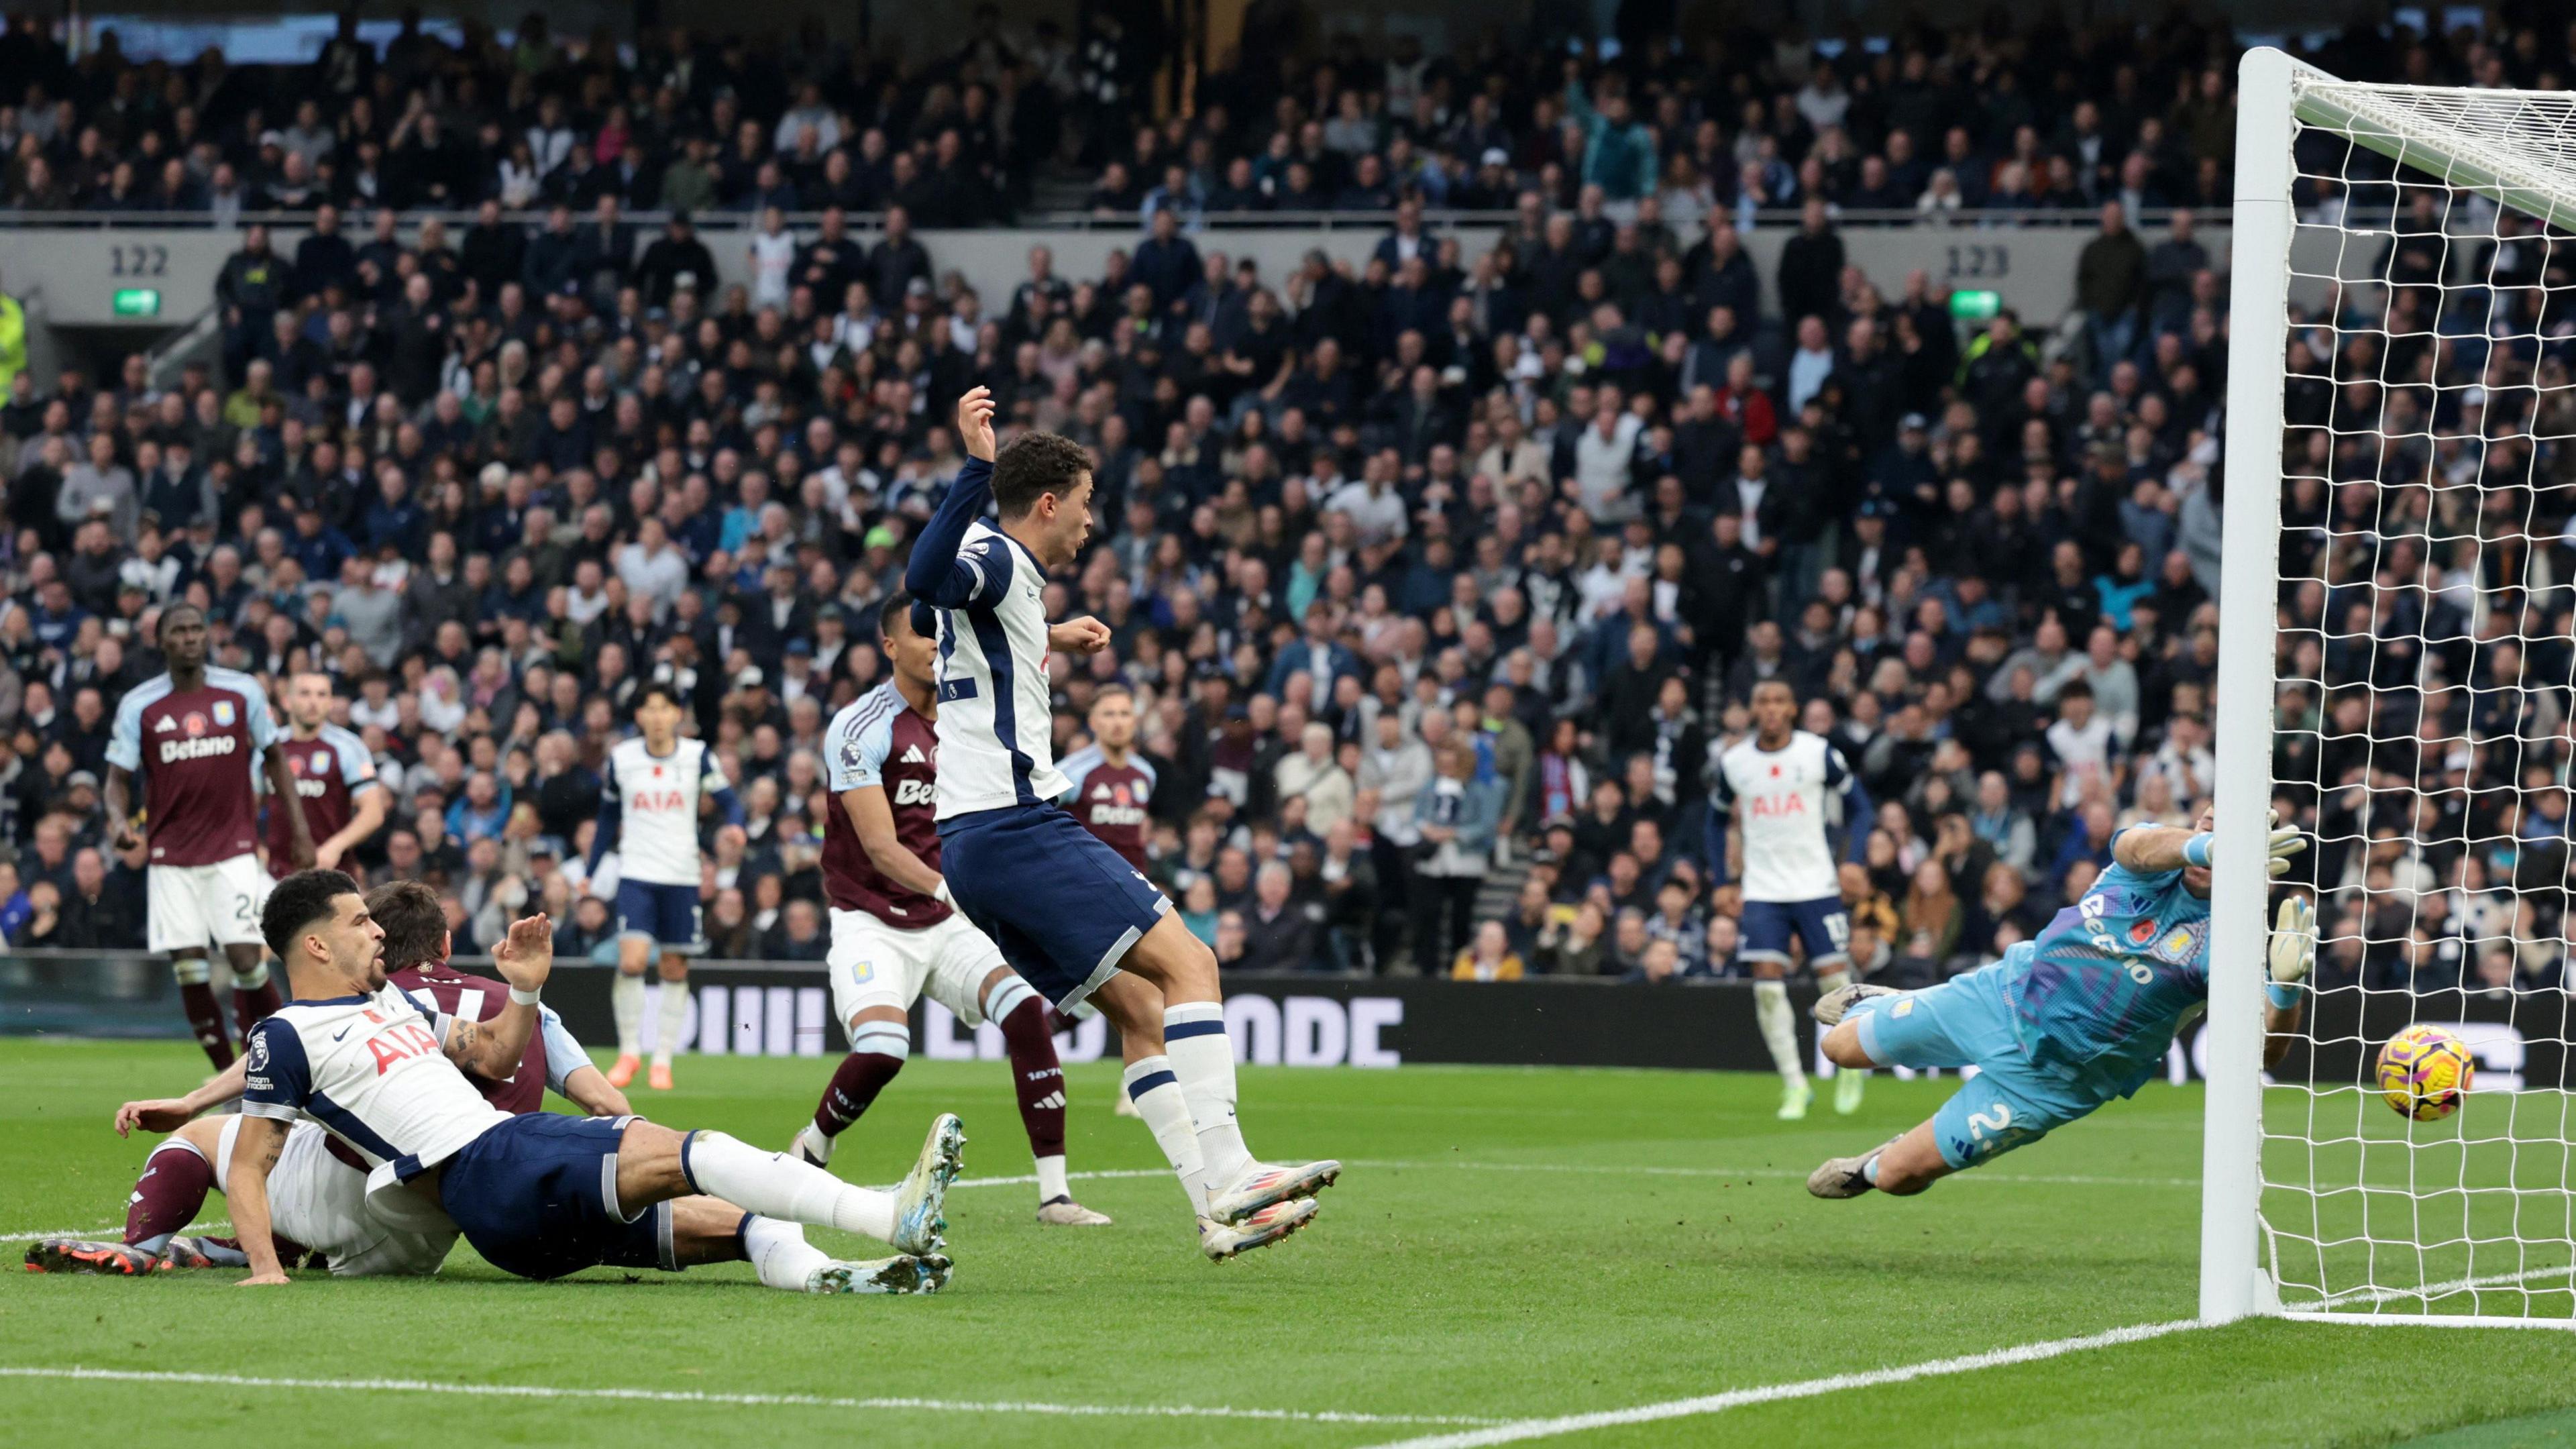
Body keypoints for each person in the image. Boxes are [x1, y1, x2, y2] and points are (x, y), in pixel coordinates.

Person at [904, 386, 1339, 1261]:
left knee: (1140, 1008)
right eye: (1088, 504)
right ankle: (1236, 1168)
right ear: (1051, 502)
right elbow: (923, 582)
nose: (1092, 526)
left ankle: (1215, 1213)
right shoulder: (992, 552)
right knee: (1192, 962)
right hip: (1015, 825)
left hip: (978, 844)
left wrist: (1045, 637)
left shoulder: (1009, 583)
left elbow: (939, 624)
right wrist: (977, 470)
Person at [220, 869, 959, 1292]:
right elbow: (251, 1162)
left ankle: (823, 1272)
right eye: (357, 922)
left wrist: (527, 992)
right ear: (315, 944)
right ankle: (883, 1213)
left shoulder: (394, 1002)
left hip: (504, 1219)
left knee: (718, 1219)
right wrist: (264, 1269)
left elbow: (494, 1057)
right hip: (485, 1163)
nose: (376, 929)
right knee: (681, 1150)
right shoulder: (287, 1035)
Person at [28, 881, 626, 1277]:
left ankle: (147, 1247)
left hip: (373, 1192)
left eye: (371, 921)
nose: (372, 933)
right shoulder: (520, 1006)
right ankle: (236, 1247)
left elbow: (281, 1050)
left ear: (380, 944)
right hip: (462, 1218)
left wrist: (192, 1103)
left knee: (230, 1137)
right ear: (446, 943)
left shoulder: (376, 998)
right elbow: (604, 1101)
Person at [794, 591, 1112, 1228]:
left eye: (943, 634)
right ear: (890, 648)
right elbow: (881, 848)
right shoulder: (860, 728)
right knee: (883, 1050)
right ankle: (812, 1146)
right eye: (922, 636)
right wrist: (950, 891)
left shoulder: (967, 719)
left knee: (1026, 1012)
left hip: (946, 920)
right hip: (873, 921)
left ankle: (1055, 1195)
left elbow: (1003, 645)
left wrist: (1057, 634)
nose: (938, 644)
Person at [1806, 810, 2310, 1197]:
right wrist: (2210, 846)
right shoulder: (2149, 862)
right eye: (2207, 826)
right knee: (1839, 1048)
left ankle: (1872, 1165)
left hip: (2053, 1082)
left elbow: (2264, 1055)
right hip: (1999, 997)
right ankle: (1898, 1002)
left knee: (1898, 1177)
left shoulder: (2230, 943)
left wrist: (2285, 988)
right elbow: (2137, 846)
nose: (2208, 849)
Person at [105, 603, 316, 1069]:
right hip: (170, 856)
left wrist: (299, 832)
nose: (189, 638)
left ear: (208, 636)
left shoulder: (241, 692)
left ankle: (276, 1066)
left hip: (233, 849)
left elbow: (276, 757)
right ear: (161, 641)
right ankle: (226, 1074)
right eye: (178, 631)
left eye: (197, 629)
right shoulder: (140, 705)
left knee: (245, 957)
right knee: (189, 966)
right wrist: (119, 823)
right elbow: (117, 777)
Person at [1705, 679, 1874, 1121]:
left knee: (1833, 982)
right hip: (1763, 888)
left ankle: (1853, 1066)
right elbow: (1713, 821)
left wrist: (1853, 859)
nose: (1772, 708)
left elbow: (1861, 807)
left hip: (1816, 884)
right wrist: (1723, 879)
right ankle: (1795, 1085)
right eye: (1763, 701)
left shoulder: (1816, 753)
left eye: (1780, 700)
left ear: (1793, 709)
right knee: (1765, 985)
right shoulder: (1736, 762)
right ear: (1753, 710)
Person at [589, 682, 742, 1091]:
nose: (657, 717)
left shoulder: (697, 757)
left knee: (674, 966)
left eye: (665, 709)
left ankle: (663, 1060)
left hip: (682, 875)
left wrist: (737, 827)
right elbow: (606, 818)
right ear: (639, 716)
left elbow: (729, 800)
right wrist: (591, 867)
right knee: (633, 961)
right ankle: (628, 1053)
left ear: (677, 714)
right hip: (637, 872)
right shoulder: (622, 759)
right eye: (649, 709)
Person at [266, 672, 390, 876]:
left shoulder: (348, 747)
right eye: (305, 694)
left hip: (331, 871)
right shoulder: (271, 746)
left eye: (322, 695)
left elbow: (373, 812)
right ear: (287, 701)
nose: (314, 702)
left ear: (330, 703)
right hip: (274, 873)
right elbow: (248, 803)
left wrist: (336, 846)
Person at [1058, 682, 1157, 874]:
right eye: (1109, 714)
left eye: (1124, 714)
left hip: (1135, 880)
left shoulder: (1146, 773)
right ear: (1092, 722)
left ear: (1134, 721)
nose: (1118, 723)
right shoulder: (1071, 772)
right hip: (1088, 879)